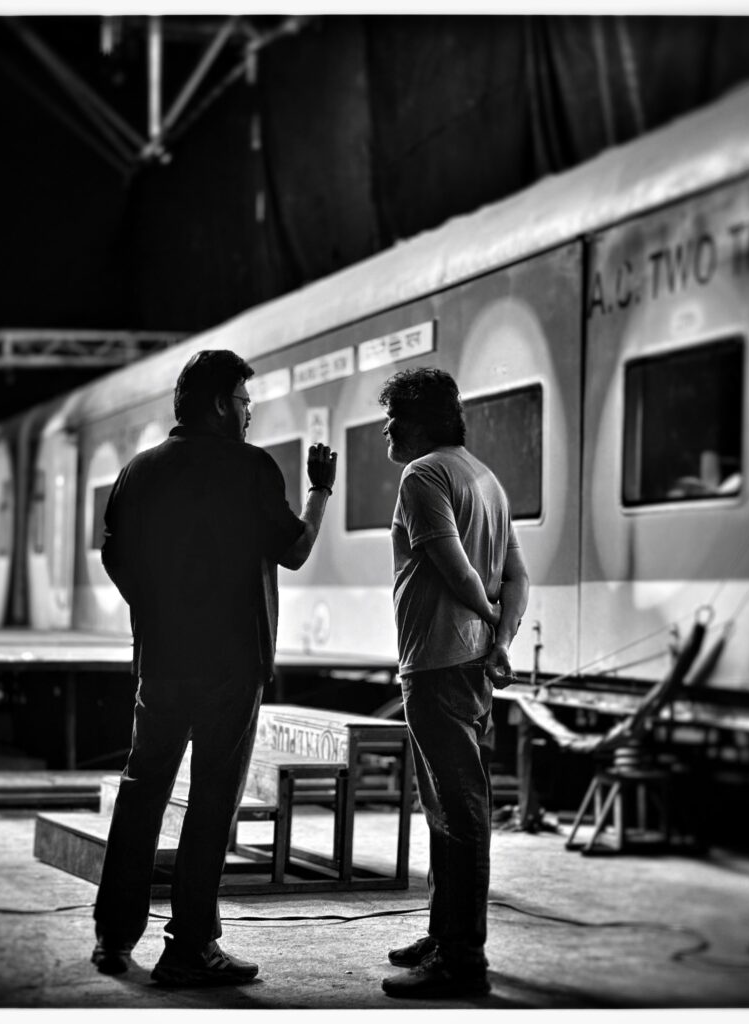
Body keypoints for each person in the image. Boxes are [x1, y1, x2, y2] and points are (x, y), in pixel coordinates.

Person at [91, 348, 337, 986]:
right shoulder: (251, 468)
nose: (250, 413)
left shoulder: (140, 470)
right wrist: (320, 491)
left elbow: (114, 557)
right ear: (223, 404)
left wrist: (156, 610)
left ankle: (114, 937)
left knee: (142, 790)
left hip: (162, 658)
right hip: (233, 663)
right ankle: (190, 947)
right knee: (211, 801)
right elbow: (295, 551)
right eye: (246, 401)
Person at [377, 366, 529, 1000]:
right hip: (470, 664)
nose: (387, 431)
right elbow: (517, 576)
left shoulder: (423, 475)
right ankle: (444, 934)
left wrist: (487, 620)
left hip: (437, 662)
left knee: (458, 812)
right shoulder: (484, 478)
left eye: (392, 420)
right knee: (447, 807)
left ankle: (461, 958)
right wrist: (502, 640)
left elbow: (456, 569)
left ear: (419, 423)